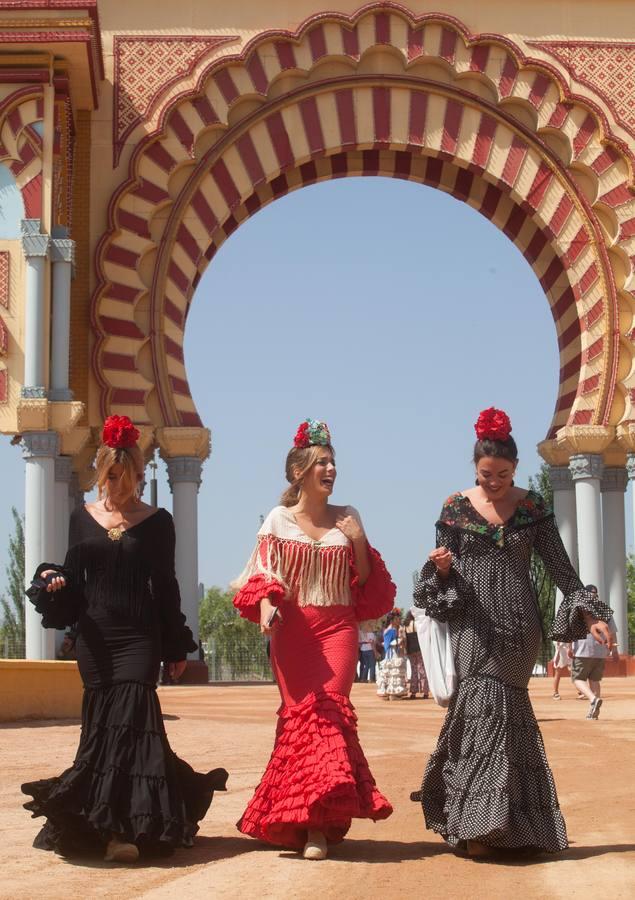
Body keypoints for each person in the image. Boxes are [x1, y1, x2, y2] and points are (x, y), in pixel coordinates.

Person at [22, 415, 227, 862]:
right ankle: (106, 825)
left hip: (138, 638)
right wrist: (56, 582)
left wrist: (175, 646)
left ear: (139, 473)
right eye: (110, 474)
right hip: (95, 639)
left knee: (133, 722)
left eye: (126, 474)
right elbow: (74, 580)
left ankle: (123, 834)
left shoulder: (157, 522)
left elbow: (167, 588)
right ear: (100, 471)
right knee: (103, 732)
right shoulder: (83, 518)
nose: (117, 483)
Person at [411, 407, 614, 857]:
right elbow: (440, 585)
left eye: (502, 473)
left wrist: (590, 615)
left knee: (507, 720)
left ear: (516, 468)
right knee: (482, 714)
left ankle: (501, 826)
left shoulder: (532, 508)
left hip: (520, 628)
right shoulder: (455, 508)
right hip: (474, 628)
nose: (494, 482)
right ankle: (482, 826)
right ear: (475, 468)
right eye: (486, 475)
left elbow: (561, 570)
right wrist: (443, 569)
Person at [232, 418, 395, 860]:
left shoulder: (349, 517)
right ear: (299, 471)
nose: (330, 469)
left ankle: (320, 828)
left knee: (329, 714)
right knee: (300, 719)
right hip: (293, 633)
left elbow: (363, 579)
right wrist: (266, 608)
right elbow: (264, 573)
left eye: (332, 462)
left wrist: (358, 540)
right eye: (321, 462)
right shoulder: (278, 520)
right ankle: (304, 824)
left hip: (338, 628)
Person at [569, 585, 619, 720]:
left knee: (577, 679)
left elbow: (571, 630)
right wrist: (615, 651)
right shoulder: (604, 610)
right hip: (601, 651)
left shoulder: (579, 609)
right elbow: (612, 632)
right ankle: (593, 712)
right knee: (594, 680)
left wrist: (569, 648)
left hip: (582, 650)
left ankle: (592, 699)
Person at [376, 611, 408, 700]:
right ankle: (393, 694)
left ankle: (386, 693)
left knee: (389, 672)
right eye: (397, 619)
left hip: (389, 654)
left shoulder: (388, 629)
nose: (399, 620)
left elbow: (385, 643)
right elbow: (389, 643)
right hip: (392, 653)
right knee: (394, 672)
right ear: (392, 620)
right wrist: (400, 640)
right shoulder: (392, 630)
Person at [403, 610, 429, 699]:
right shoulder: (418, 624)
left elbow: (405, 640)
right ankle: (425, 692)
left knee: (414, 670)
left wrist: (406, 650)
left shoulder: (405, 625)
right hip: (419, 649)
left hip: (410, 650)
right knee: (422, 670)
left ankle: (413, 692)